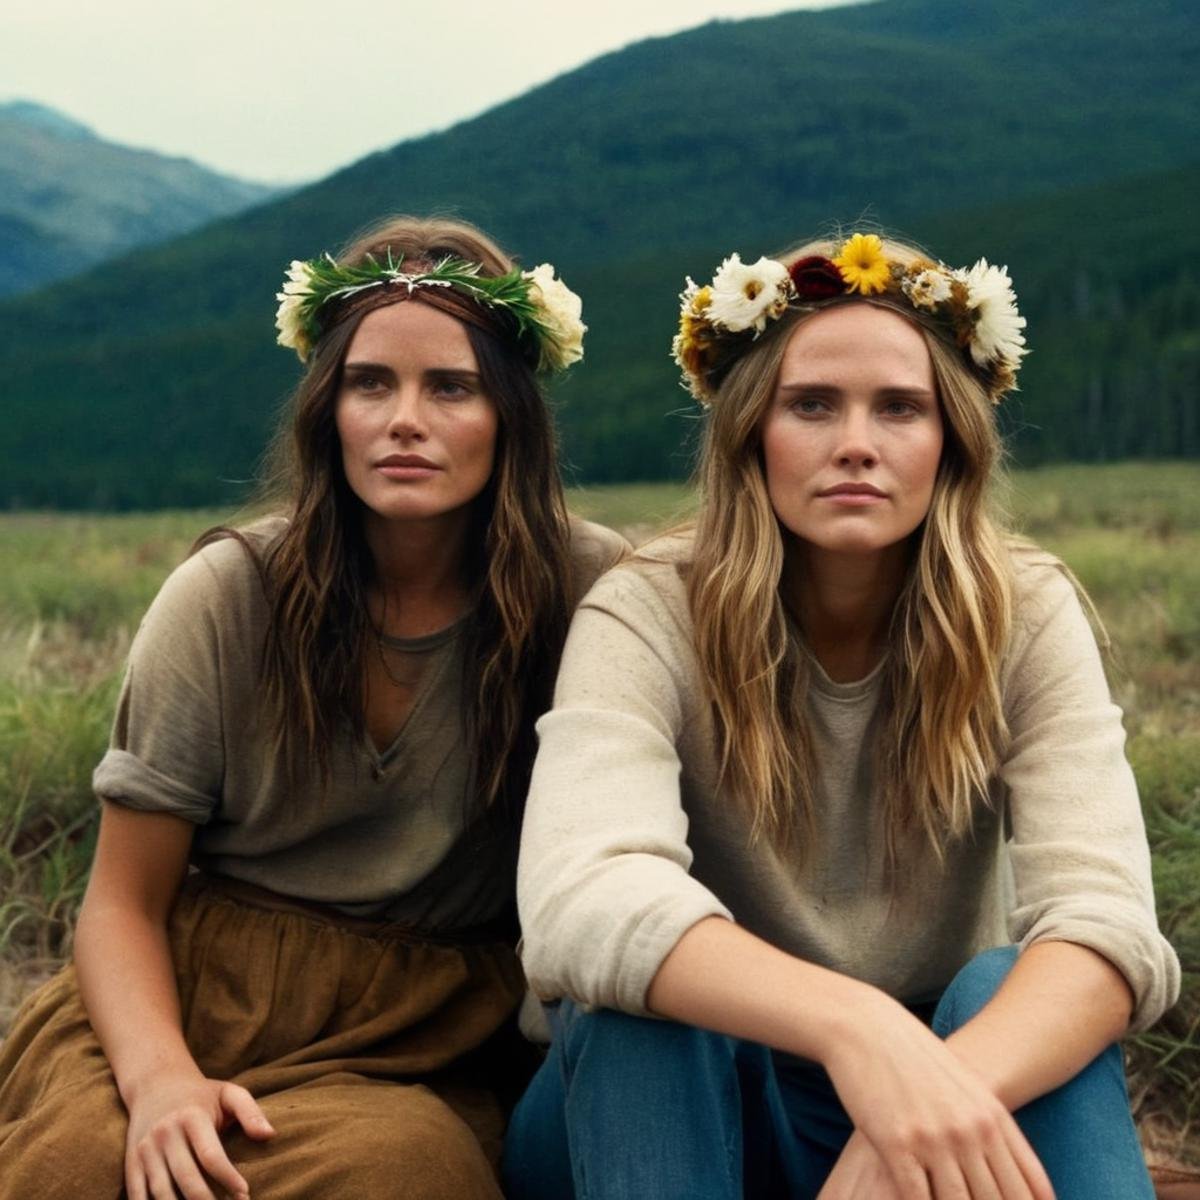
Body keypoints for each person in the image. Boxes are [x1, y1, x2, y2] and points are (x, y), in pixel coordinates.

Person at [503, 232, 1181, 1200]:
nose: (855, 442)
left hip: (935, 1092)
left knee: (1008, 985)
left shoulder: (1023, 611)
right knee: (639, 1008)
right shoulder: (647, 606)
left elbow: (1106, 923)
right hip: (669, 1108)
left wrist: (929, 1088)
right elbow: (585, 900)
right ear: (750, 432)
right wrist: (858, 1032)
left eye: (899, 407)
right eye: (811, 404)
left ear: (951, 438)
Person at [0, 215, 626, 1200]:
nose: (403, 419)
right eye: (369, 383)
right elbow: (121, 903)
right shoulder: (230, 592)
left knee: (402, 1173)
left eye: (450, 387)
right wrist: (162, 1082)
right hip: (187, 994)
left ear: (511, 414)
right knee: (89, 1165)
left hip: (410, 1035)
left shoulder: (586, 589)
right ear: (327, 409)